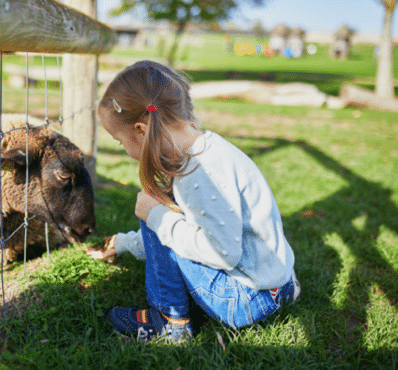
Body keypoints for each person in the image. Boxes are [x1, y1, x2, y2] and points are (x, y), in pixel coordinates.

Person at [89, 60, 300, 342]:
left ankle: (170, 322)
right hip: (276, 283)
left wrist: (156, 217)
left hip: (242, 299)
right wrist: (124, 243)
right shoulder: (209, 151)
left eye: (120, 141)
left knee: (156, 213)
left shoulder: (199, 173)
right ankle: (286, 290)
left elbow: (222, 253)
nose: (123, 148)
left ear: (140, 130)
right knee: (161, 215)